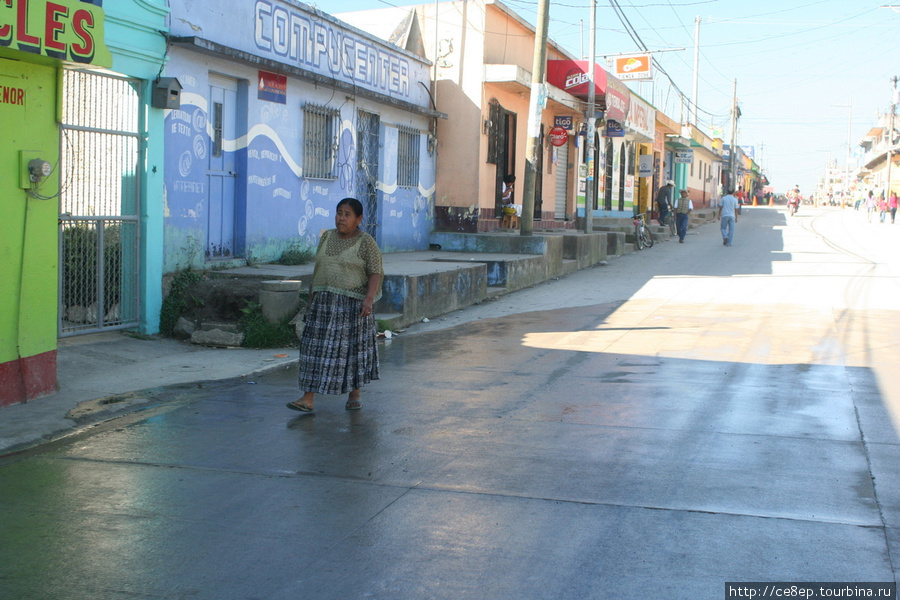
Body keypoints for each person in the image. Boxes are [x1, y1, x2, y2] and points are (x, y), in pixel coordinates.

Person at [288, 197, 384, 413]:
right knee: (313, 349)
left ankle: (354, 393)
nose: (341, 218)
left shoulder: (366, 242)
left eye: (347, 214)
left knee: (350, 351)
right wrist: (311, 300)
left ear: (359, 219)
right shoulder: (327, 237)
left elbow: (375, 271)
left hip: (352, 306)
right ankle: (308, 398)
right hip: (322, 303)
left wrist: (368, 299)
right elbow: (319, 269)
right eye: (339, 213)